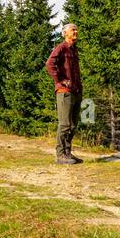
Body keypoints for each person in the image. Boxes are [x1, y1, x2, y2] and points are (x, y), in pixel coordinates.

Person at [45, 23, 83, 164]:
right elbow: (49, 64)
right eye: (73, 30)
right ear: (65, 33)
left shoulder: (74, 50)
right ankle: (60, 155)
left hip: (76, 91)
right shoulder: (61, 48)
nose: (76, 31)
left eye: (76, 29)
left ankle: (67, 153)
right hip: (64, 92)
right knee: (65, 124)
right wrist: (60, 80)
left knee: (73, 124)